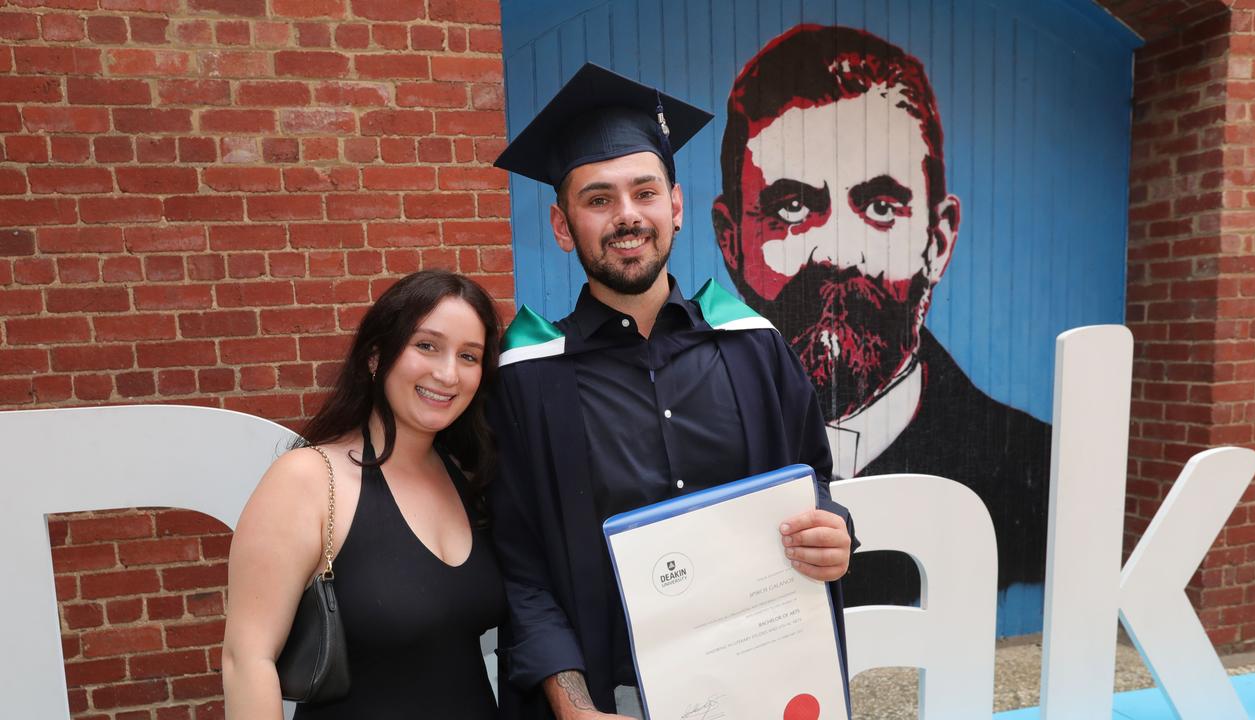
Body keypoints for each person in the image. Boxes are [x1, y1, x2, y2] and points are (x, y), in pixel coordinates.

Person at [488, 62, 855, 719]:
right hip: (612, 700)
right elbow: (522, 569)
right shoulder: (528, 379)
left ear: (676, 207)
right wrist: (572, 705)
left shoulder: (755, 347)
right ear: (562, 226)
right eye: (598, 199)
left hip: (762, 685)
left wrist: (836, 531)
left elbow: (815, 481)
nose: (626, 216)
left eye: (644, 192)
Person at [712, 24, 1052, 605]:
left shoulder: (1034, 475)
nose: (839, 251)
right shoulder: (690, 455)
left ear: (937, 241)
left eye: (880, 206)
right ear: (731, 240)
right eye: (791, 207)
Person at [222, 270, 506, 719]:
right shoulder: (309, 479)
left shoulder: (464, 475)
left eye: (469, 356)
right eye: (426, 346)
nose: (448, 373)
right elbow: (247, 660)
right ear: (376, 356)